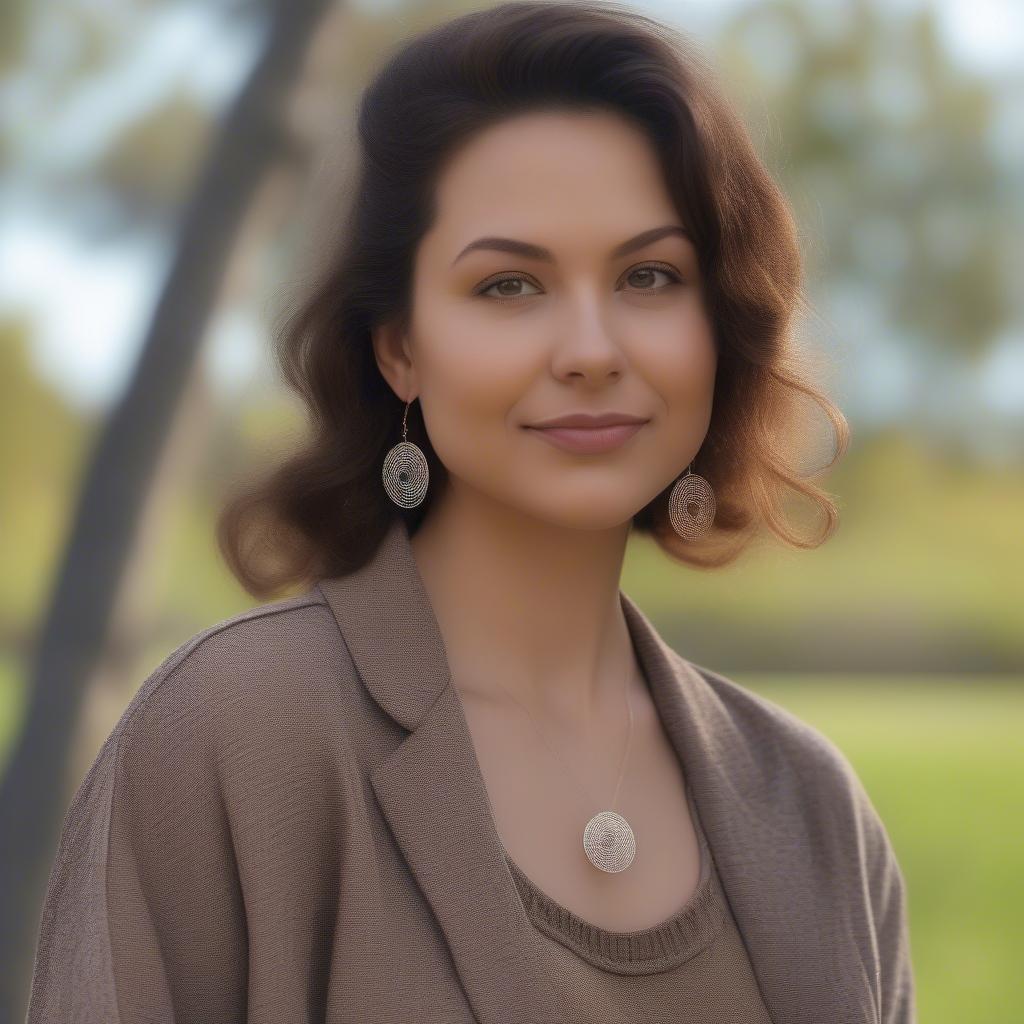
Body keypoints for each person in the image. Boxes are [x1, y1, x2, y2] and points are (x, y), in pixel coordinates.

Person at [25, 2, 915, 1022]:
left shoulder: (811, 808)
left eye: (650, 276)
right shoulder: (230, 736)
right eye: (508, 285)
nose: (590, 346)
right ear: (398, 345)